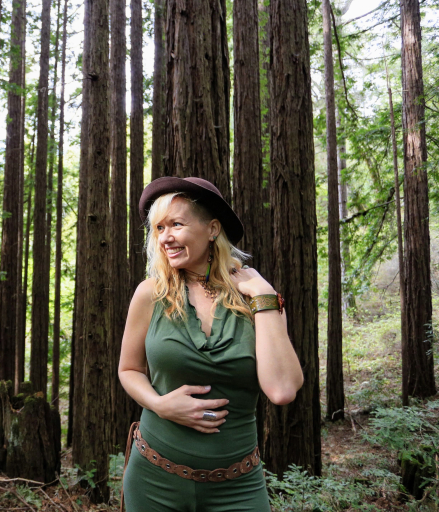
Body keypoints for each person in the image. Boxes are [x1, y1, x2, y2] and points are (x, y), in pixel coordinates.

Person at [119, 176, 303, 512]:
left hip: (238, 486)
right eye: (159, 228)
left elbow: (282, 389)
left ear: (213, 229)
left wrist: (263, 296)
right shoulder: (150, 293)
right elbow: (129, 369)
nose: (165, 238)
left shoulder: (257, 298)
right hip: (154, 479)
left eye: (176, 224)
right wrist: (160, 405)